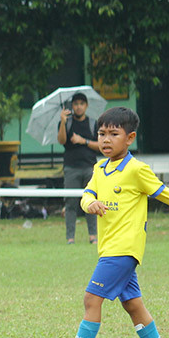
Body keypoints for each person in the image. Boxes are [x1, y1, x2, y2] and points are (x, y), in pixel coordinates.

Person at [44, 107, 169, 338]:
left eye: (113, 134)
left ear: (129, 138)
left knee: (91, 299)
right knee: (133, 305)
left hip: (124, 250)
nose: (106, 140)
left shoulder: (137, 170)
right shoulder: (99, 168)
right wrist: (90, 203)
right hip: (108, 249)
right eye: (101, 134)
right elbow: (85, 196)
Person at [58, 92, 101, 245]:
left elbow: (100, 146)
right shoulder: (67, 122)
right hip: (71, 168)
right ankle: (70, 238)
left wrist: (84, 141)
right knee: (70, 203)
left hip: (89, 167)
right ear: (72, 106)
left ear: (86, 106)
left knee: (91, 202)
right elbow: (61, 140)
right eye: (75, 104)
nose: (78, 107)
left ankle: (93, 236)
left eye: (81, 104)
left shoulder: (93, 124)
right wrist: (62, 122)